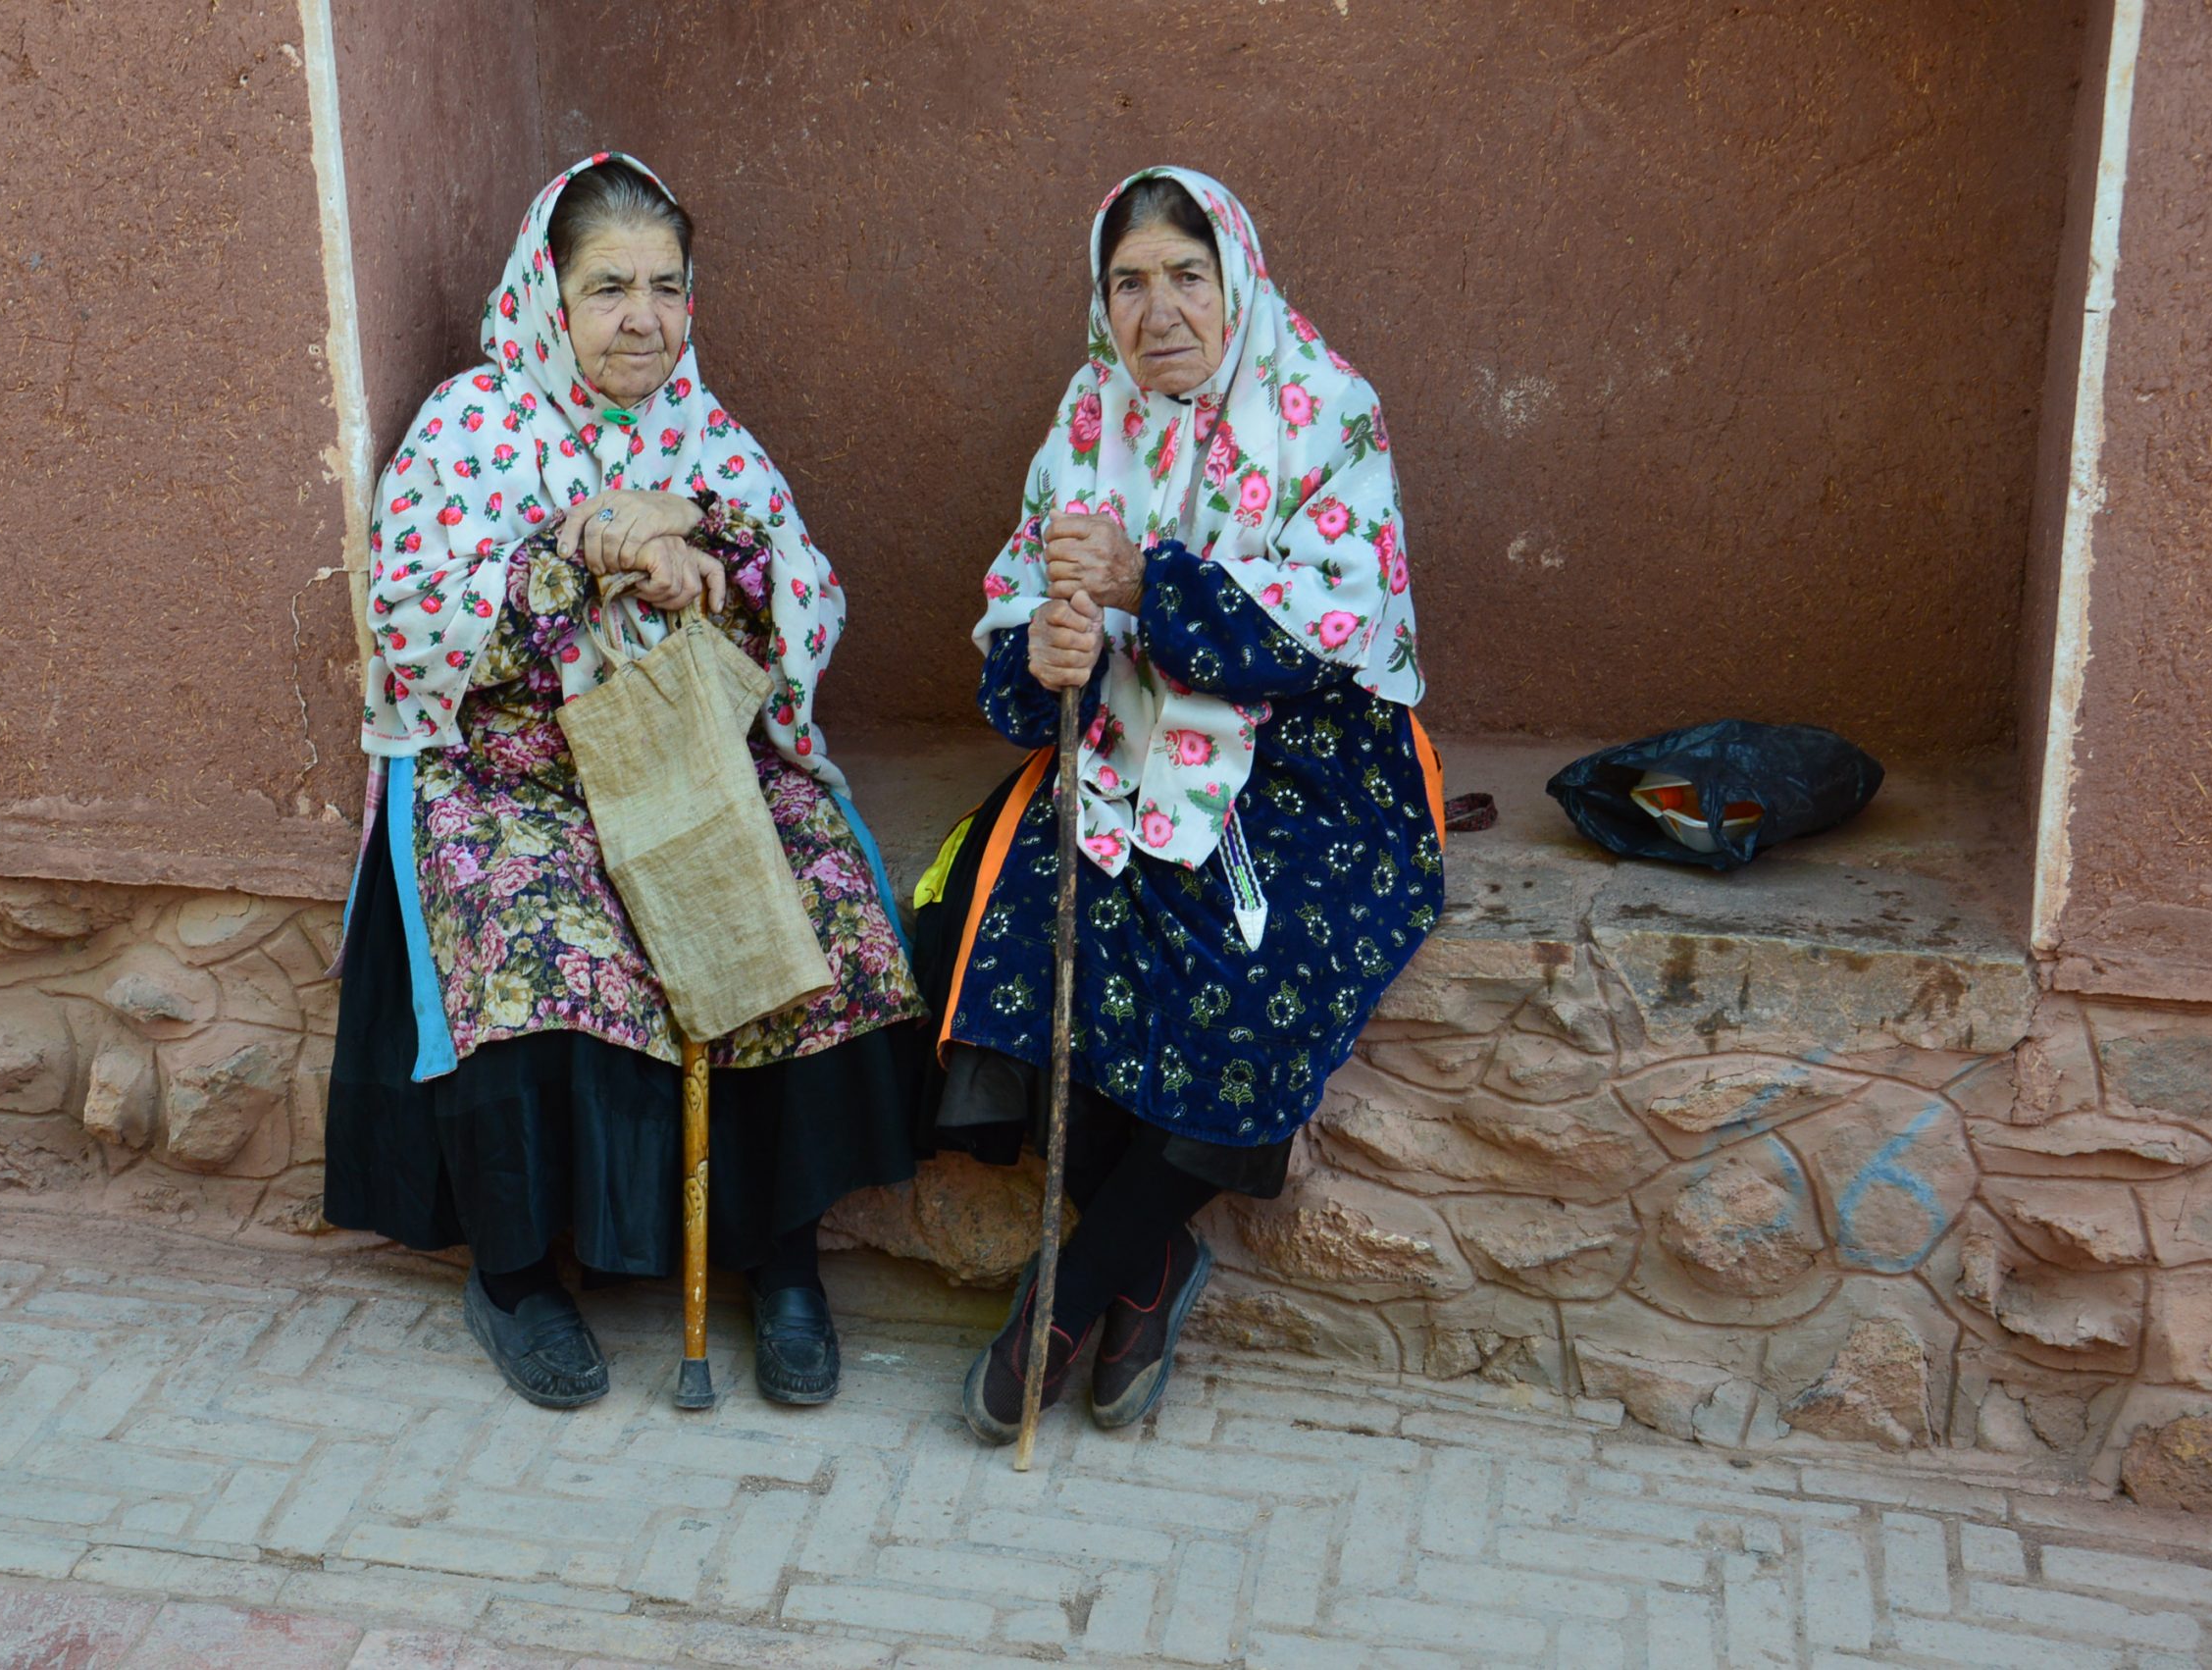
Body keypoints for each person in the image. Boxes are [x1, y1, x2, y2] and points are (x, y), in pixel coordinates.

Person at [328, 154, 920, 1410]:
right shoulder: (469, 425)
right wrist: (576, 549)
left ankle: (783, 1259)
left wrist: (722, 560)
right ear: (548, 298)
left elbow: (812, 596)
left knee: (810, 901)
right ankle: (515, 1276)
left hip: (685, 757)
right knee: (539, 939)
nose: (641, 318)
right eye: (607, 289)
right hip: (519, 777)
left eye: (665, 286)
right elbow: (416, 615)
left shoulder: (707, 431)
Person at [914, 168, 1446, 1440]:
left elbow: (1321, 641)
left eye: (1186, 277)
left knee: (1259, 977)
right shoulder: (1092, 414)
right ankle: (1150, 1268)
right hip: (1123, 745)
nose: (1159, 312)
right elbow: (1022, 612)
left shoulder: (1328, 410)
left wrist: (1150, 581)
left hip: (1308, 764)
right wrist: (1039, 652)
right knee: (996, 949)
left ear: (1238, 279)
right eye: (1129, 283)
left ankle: (1071, 1288)